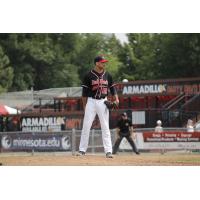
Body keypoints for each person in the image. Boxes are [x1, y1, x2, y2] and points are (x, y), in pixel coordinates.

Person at [77, 55, 119, 158]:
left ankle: (108, 151)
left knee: (105, 126)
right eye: (102, 62)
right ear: (97, 63)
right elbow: (84, 94)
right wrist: (85, 106)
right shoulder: (88, 75)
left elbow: (113, 89)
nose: (104, 64)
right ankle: (82, 150)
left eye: (104, 62)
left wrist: (116, 99)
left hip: (103, 102)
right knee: (86, 126)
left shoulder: (108, 75)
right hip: (91, 102)